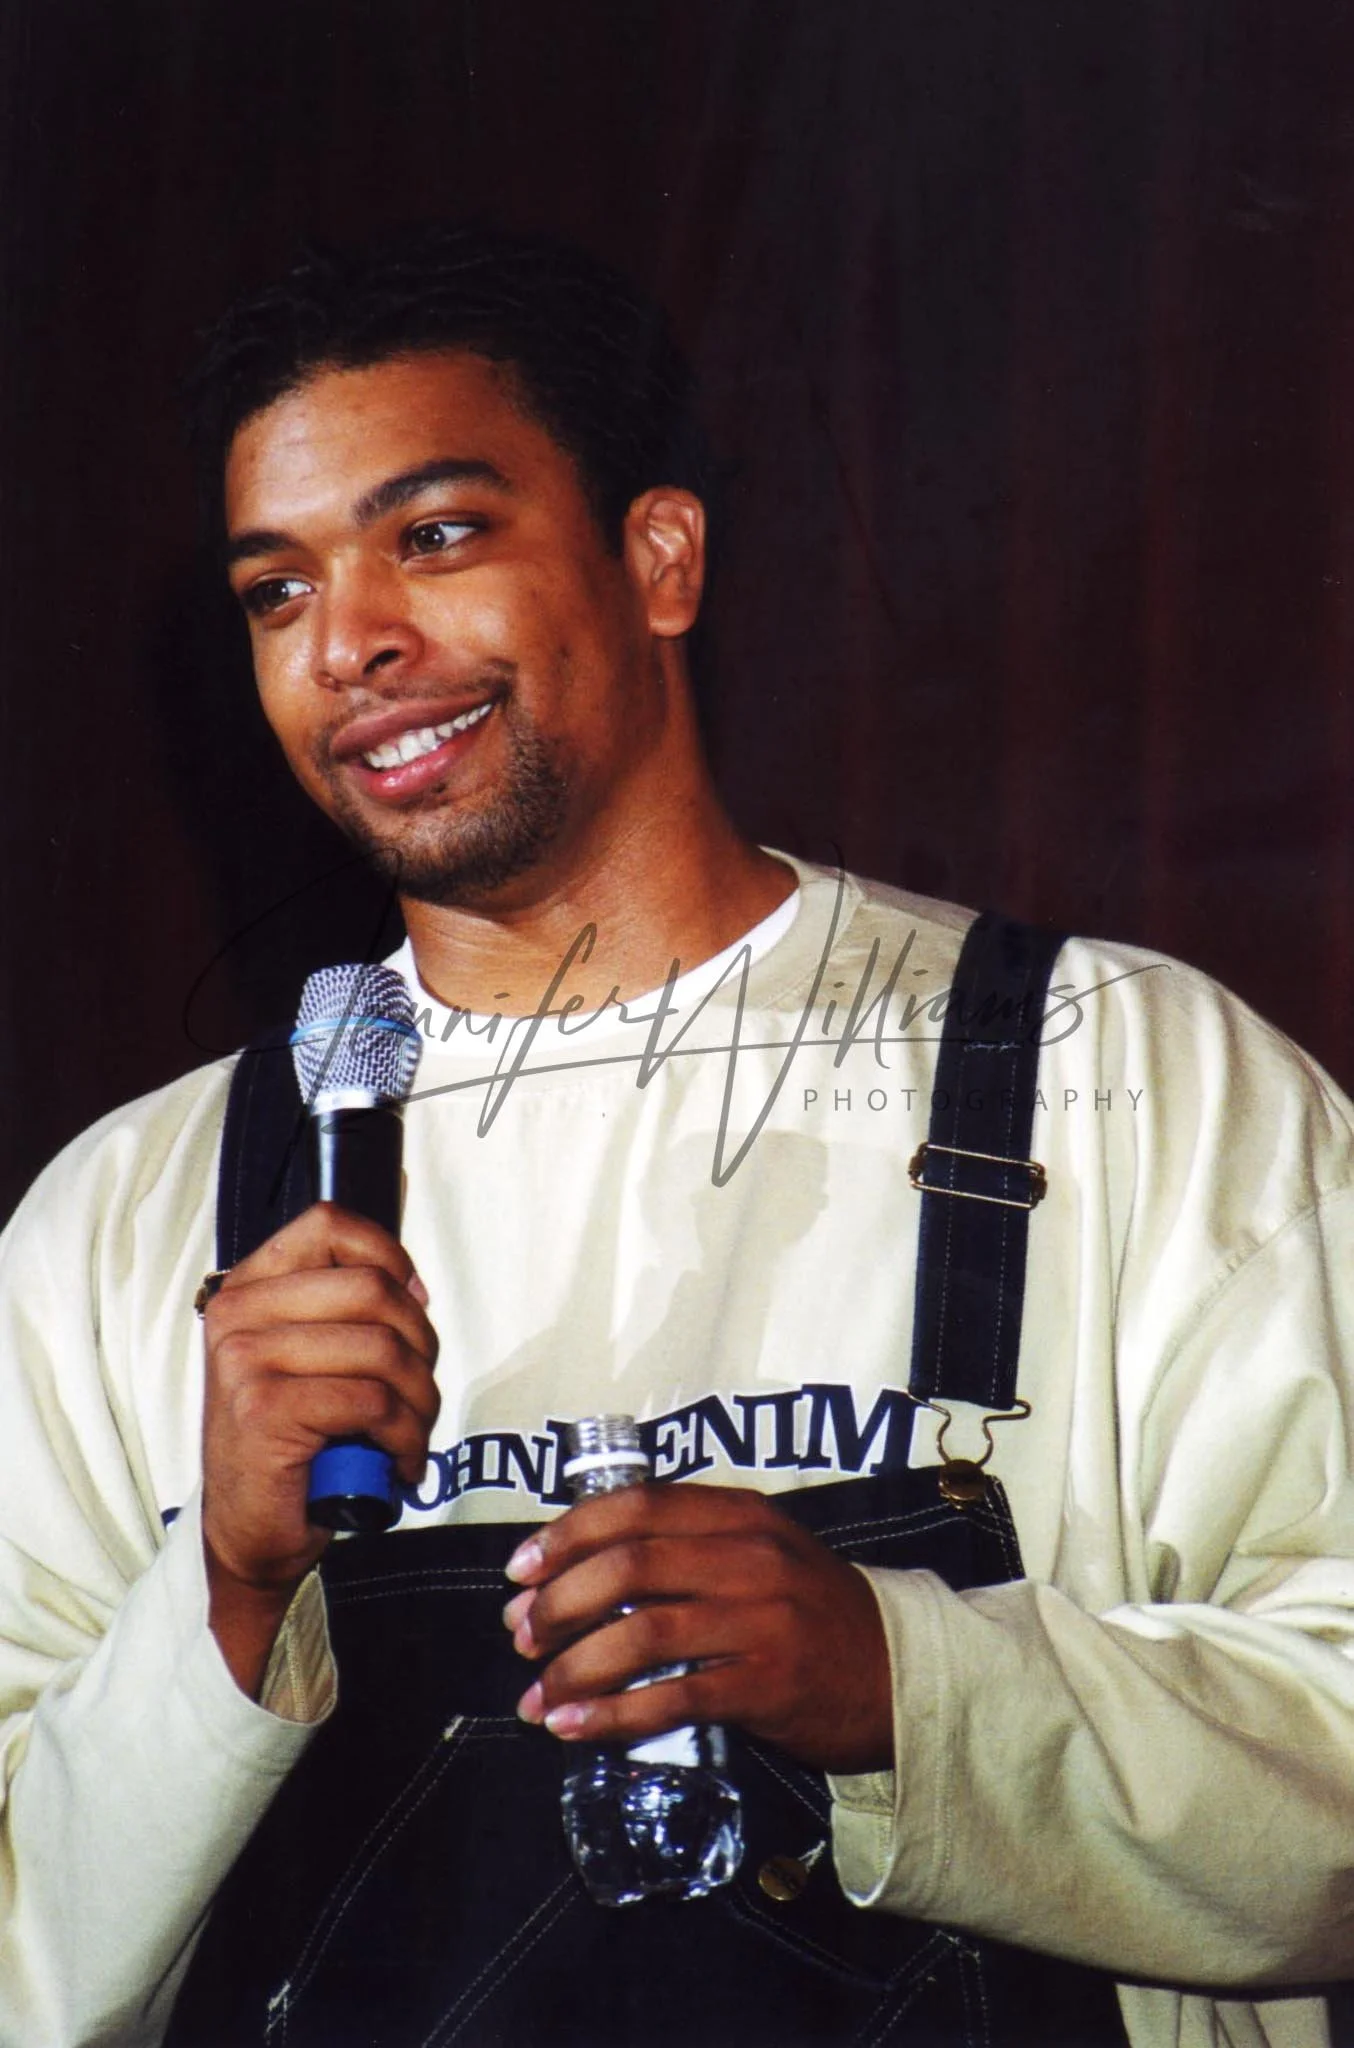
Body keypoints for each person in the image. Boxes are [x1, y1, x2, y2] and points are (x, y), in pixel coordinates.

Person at [0, 226, 1352, 2048]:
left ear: (658, 557)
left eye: (437, 535)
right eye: (274, 590)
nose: (355, 644)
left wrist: (900, 1683)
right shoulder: (123, 1224)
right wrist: (229, 1596)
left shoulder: (1127, 1082)